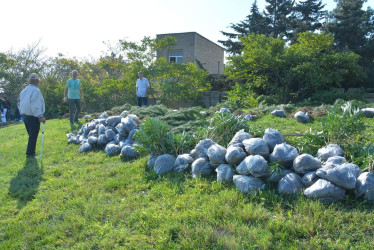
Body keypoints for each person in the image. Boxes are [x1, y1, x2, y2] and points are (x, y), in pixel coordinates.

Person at [19, 73, 46, 158]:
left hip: (25, 115)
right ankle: (30, 154)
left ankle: (31, 152)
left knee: (31, 135)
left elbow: (20, 103)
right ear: (37, 81)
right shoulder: (36, 90)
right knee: (33, 136)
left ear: (30, 81)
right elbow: (35, 105)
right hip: (33, 116)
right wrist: (40, 116)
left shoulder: (23, 91)